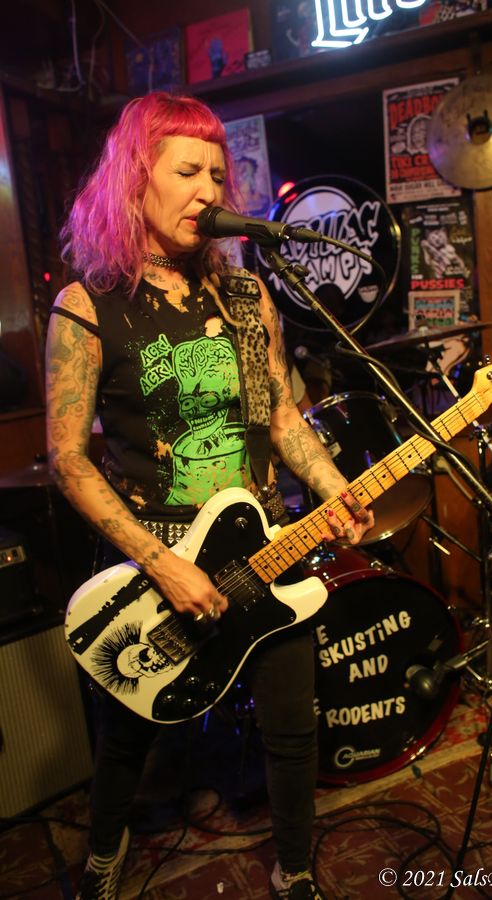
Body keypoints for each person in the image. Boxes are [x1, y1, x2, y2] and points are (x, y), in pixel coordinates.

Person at [45, 91, 374, 900]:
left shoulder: (246, 297)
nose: (208, 191)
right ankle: (104, 858)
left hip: (265, 546)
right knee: (130, 734)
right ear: (135, 180)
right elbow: (67, 460)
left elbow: (284, 417)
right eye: (187, 171)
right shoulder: (88, 305)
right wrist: (162, 564)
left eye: (218, 176)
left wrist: (335, 487)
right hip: (156, 558)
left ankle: (295, 870)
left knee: (292, 727)